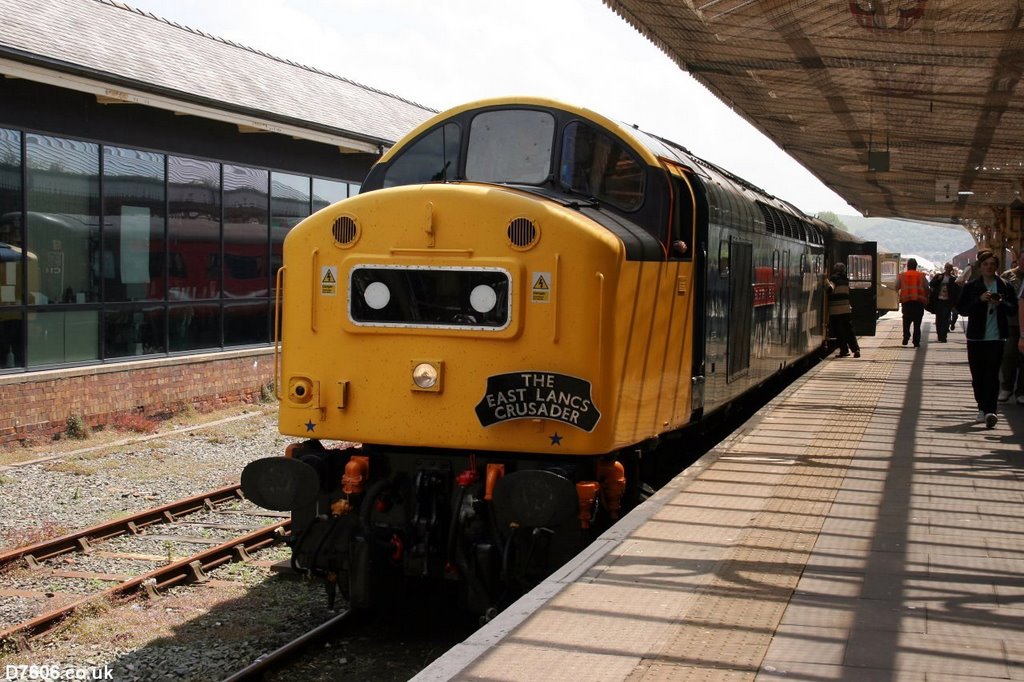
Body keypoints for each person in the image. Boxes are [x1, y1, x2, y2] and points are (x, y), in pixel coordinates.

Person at [956, 250, 1018, 428]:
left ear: (997, 267)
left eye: (992, 264)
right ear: (980, 267)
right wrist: (980, 300)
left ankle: (990, 411)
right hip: (976, 338)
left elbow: (1012, 309)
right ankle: (982, 407)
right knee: (978, 376)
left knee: (992, 375)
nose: (989, 267)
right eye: (986, 264)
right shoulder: (972, 287)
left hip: (996, 338)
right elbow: (962, 309)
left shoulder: (1005, 286)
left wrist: (1001, 303)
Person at [998, 251, 1024, 403]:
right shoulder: (1008, 276)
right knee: (1008, 354)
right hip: (1011, 322)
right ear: (1018, 260)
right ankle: (1007, 387)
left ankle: (1021, 391)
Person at [827, 262, 860, 358]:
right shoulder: (846, 280)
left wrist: (825, 280)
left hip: (836, 310)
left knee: (839, 331)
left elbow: (829, 290)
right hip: (846, 309)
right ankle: (856, 349)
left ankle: (844, 350)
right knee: (849, 331)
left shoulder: (833, 279)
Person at [896, 258, 929, 348]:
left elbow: (896, 286)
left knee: (906, 322)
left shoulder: (902, 276)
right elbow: (926, 287)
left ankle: (906, 337)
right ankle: (916, 341)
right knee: (917, 324)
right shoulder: (921, 276)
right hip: (918, 303)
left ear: (907, 266)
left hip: (907, 303)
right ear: (915, 266)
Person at [928, 262, 960, 343]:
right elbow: (931, 284)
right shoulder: (939, 276)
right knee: (939, 319)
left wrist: (955, 301)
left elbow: (956, 291)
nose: (947, 269)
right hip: (938, 300)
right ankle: (939, 335)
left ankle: (944, 336)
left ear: (951, 269)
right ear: (944, 268)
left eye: (949, 268)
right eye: (946, 267)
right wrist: (938, 280)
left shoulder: (953, 279)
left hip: (947, 302)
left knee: (945, 318)